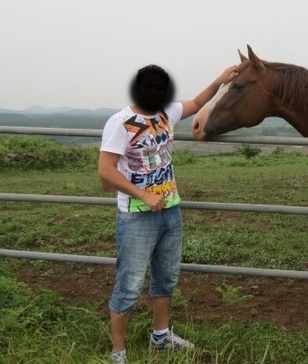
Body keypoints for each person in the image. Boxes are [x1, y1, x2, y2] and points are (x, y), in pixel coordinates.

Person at [98, 63, 238, 363]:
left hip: (171, 212)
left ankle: (160, 336)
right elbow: (105, 172)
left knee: (166, 278)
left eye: (159, 87)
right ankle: (118, 353)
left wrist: (221, 79)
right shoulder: (121, 123)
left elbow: (199, 103)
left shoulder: (166, 113)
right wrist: (144, 195)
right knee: (130, 284)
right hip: (137, 216)